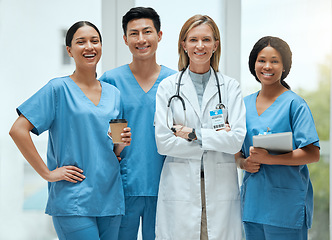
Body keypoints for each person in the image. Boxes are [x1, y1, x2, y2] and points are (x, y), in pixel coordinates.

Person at [9, 21, 131, 240]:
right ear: (69, 50)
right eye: (81, 42)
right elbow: (18, 130)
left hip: (110, 198)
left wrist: (121, 142)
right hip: (74, 199)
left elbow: (114, 149)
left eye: (95, 41)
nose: (89, 47)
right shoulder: (58, 89)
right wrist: (47, 173)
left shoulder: (114, 94)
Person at [154, 14, 246, 240]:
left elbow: (236, 140)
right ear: (183, 44)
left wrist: (192, 134)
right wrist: (216, 139)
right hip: (180, 186)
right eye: (193, 39)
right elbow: (163, 143)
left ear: (216, 45)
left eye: (206, 39)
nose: (200, 46)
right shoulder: (168, 87)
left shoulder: (230, 87)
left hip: (220, 186)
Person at [99, 7, 176, 240]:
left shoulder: (175, 82)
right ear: (125, 39)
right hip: (123, 187)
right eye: (134, 33)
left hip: (166, 185)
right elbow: (101, 132)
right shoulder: (110, 80)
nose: (141, 39)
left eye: (147, 32)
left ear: (159, 35)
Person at [235, 36, 320, 240]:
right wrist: (242, 163)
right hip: (253, 205)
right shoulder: (243, 104)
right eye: (261, 60)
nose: (267, 66)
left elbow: (312, 153)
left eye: (274, 61)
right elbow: (237, 150)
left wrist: (269, 159)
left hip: (286, 206)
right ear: (253, 64)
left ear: (284, 67)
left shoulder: (295, 104)